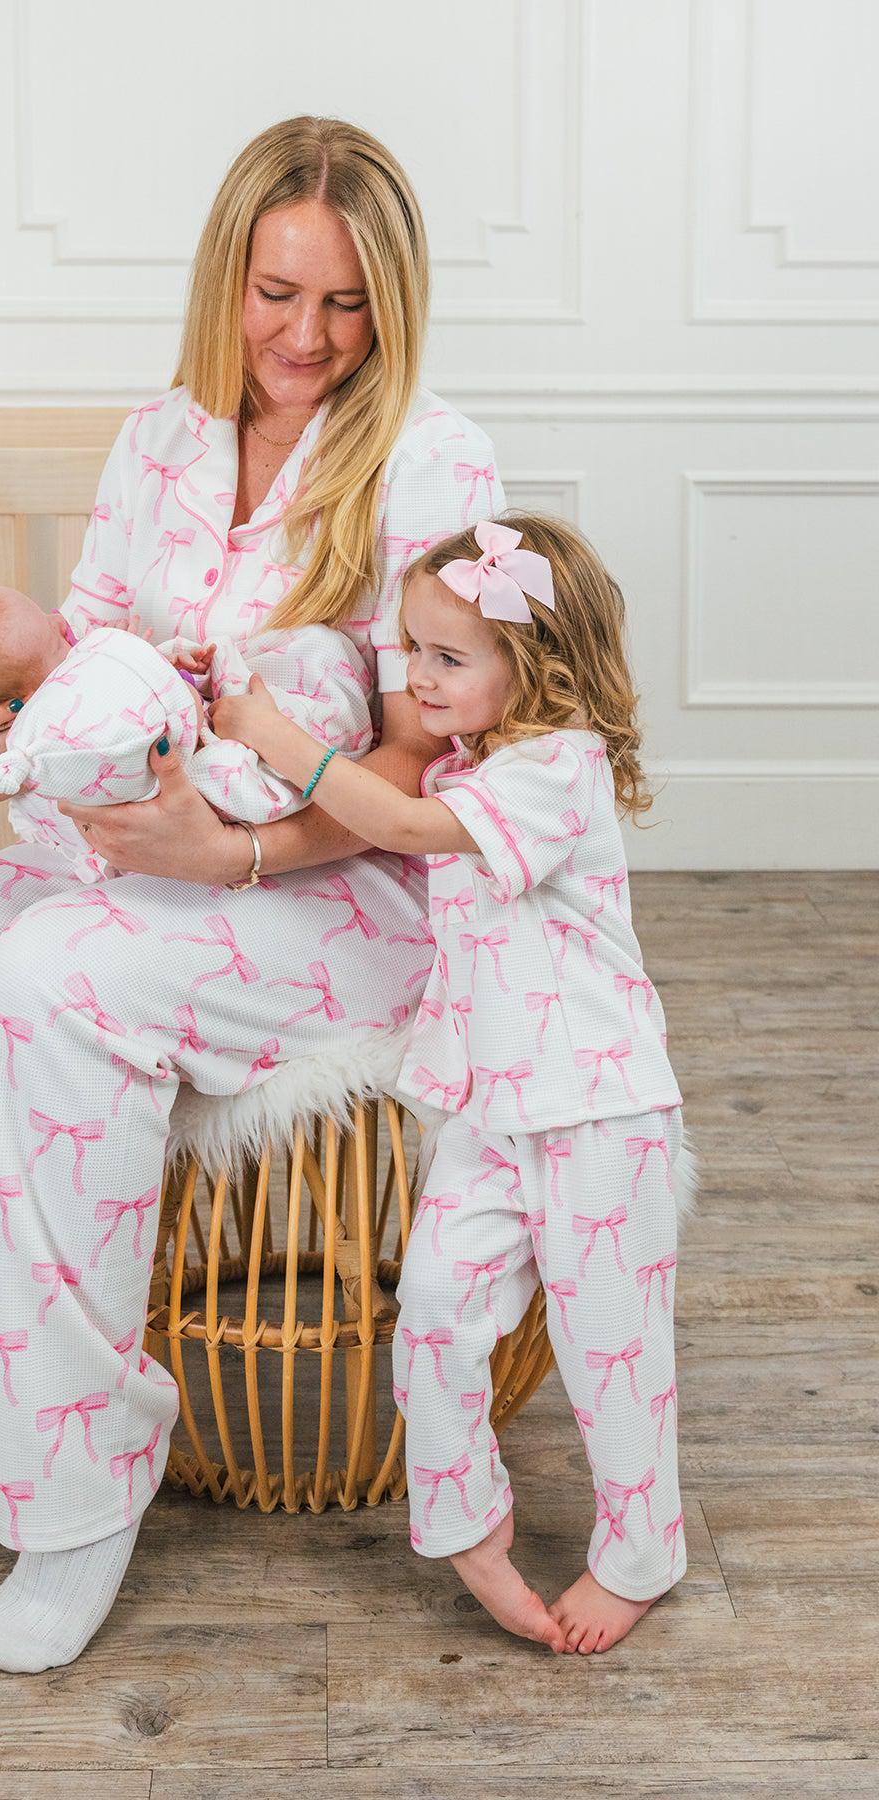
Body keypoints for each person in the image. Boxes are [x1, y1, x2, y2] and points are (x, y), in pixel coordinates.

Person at [0, 114, 505, 1675]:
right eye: (277, 294)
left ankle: (76, 1501)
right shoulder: (158, 439)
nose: (307, 338)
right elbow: (81, 635)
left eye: (347, 304)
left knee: (49, 986)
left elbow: (440, 769)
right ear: (228, 278)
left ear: (394, 305)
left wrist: (243, 853)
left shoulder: (436, 461)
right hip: (130, 840)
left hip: (344, 891)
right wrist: (2, 738)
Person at [211, 513, 690, 1656]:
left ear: (538, 668)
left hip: (593, 1104)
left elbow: (409, 822)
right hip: (487, 1104)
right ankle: (467, 1518)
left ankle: (642, 1551)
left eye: (445, 657)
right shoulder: (481, 759)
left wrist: (284, 743)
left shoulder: (552, 769)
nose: (414, 678)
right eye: (410, 650)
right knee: (433, 1306)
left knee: (611, 1340)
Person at [0, 586, 375, 865]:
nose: (61, 621)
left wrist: (163, 663)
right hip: (167, 828)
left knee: (309, 655)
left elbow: (168, 694)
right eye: (51, 635)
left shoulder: (74, 675)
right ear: (22, 704)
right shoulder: (71, 741)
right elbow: (166, 741)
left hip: (266, 851)